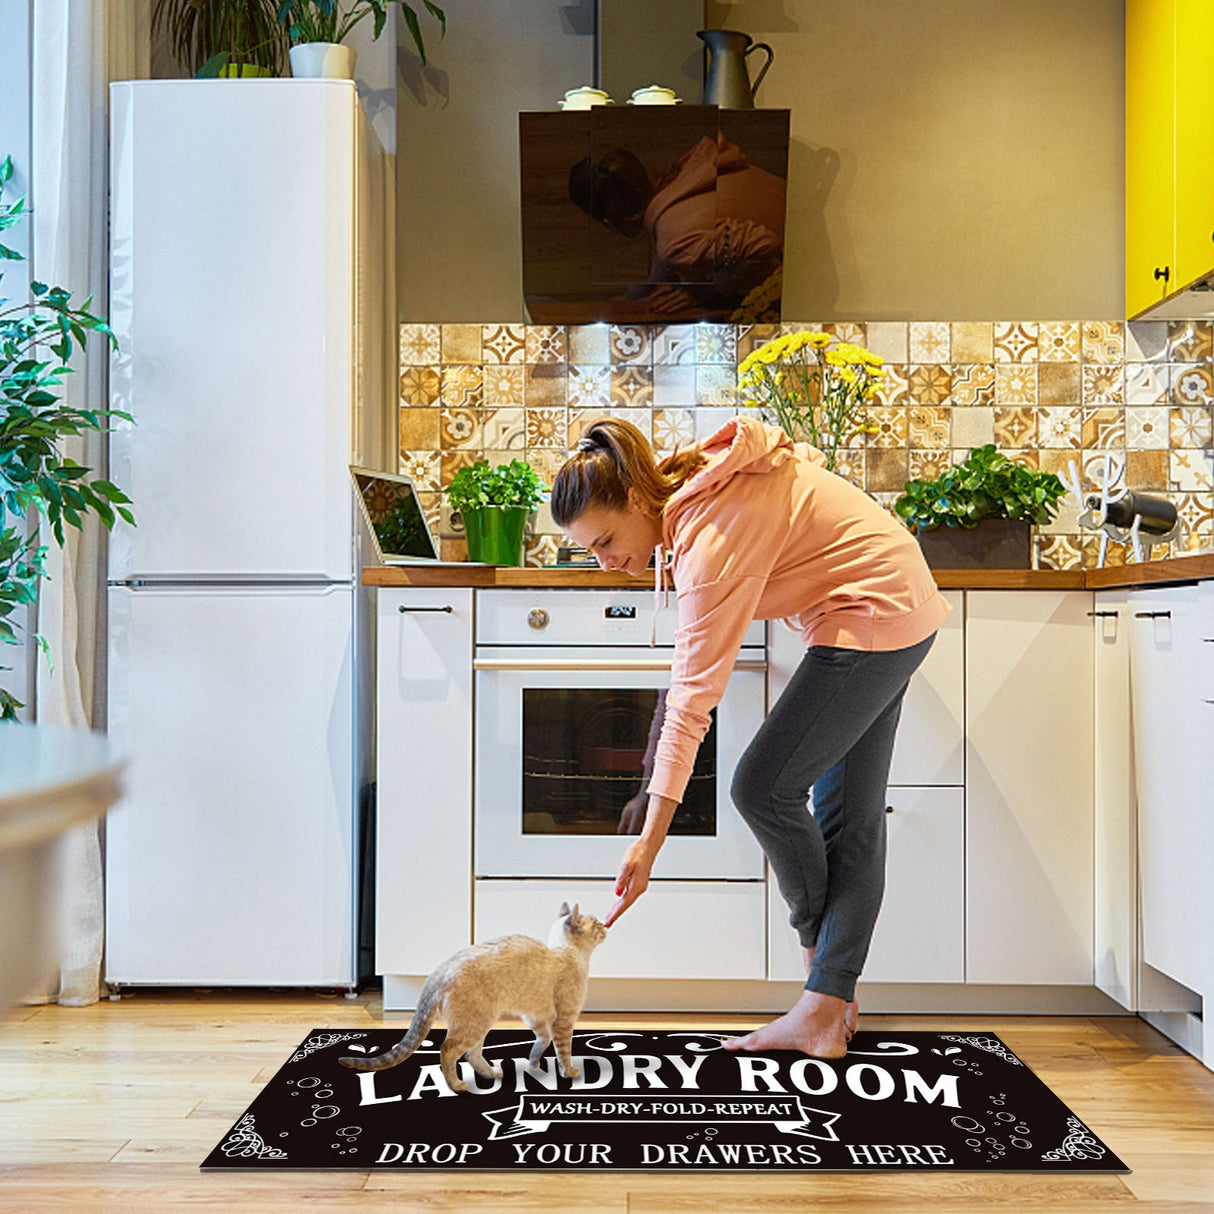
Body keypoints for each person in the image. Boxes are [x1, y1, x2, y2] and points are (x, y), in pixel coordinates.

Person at [550, 415, 950, 1060]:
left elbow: (691, 702)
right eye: (588, 552)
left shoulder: (709, 539)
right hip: (885, 603)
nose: (606, 562)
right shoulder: (687, 490)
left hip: (874, 609)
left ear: (633, 500)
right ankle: (825, 1004)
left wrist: (650, 843)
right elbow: (681, 688)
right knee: (846, 816)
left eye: (605, 540)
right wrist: (649, 795)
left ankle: (820, 974)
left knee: (764, 787)